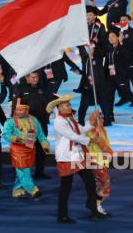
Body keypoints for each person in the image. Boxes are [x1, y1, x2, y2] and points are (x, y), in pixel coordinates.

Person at [46, 94, 109, 223]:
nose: (70, 106)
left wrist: (92, 122)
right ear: (60, 107)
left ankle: (93, 210)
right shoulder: (59, 121)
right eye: (67, 105)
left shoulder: (70, 119)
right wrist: (91, 140)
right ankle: (62, 215)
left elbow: (82, 130)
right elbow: (73, 136)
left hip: (78, 156)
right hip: (67, 158)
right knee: (66, 187)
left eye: (69, 104)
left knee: (90, 182)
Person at [1, 99, 49, 198]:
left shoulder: (33, 119)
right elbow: (5, 134)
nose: (19, 112)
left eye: (22, 110)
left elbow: (40, 133)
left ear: (27, 110)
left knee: (24, 169)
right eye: (18, 110)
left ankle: (18, 189)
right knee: (23, 169)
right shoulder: (10, 122)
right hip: (17, 149)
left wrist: (45, 144)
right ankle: (32, 189)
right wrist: (15, 138)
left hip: (30, 148)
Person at [76, 5, 111, 126]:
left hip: (96, 65)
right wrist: (85, 53)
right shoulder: (82, 28)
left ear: (95, 15)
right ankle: (80, 120)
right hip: (86, 65)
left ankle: (107, 118)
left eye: (91, 14)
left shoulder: (100, 27)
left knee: (100, 92)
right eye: (87, 15)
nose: (89, 17)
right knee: (86, 93)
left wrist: (96, 53)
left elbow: (106, 46)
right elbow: (80, 45)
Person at [15, 71, 52, 179]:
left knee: (41, 147)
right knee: (30, 148)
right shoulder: (21, 89)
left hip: (42, 124)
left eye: (37, 77)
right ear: (27, 78)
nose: (35, 79)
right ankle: (27, 173)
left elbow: (47, 104)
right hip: (29, 126)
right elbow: (16, 107)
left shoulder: (42, 89)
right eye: (33, 77)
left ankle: (40, 171)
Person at [105, 30, 133, 120]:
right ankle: (110, 115)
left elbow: (128, 57)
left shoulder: (122, 48)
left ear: (118, 38)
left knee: (128, 94)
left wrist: (122, 43)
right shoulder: (109, 49)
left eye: (113, 36)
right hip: (111, 76)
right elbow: (107, 63)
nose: (110, 38)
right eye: (109, 37)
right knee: (109, 96)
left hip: (120, 76)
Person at [113, 14, 133, 115]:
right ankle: (126, 98)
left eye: (125, 19)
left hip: (131, 59)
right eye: (121, 20)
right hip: (121, 60)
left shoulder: (132, 31)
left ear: (129, 21)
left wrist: (122, 41)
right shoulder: (119, 31)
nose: (123, 21)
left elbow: (131, 45)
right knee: (124, 79)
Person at [86, 112, 113, 215]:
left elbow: (106, 144)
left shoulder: (102, 129)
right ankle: (97, 206)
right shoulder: (89, 131)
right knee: (105, 183)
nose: (103, 120)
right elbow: (89, 141)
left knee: (99, 185)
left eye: (102, 118)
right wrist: (95, 133)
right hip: (93, 161)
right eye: (100, 118)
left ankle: (94, 206)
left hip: (101, 161)